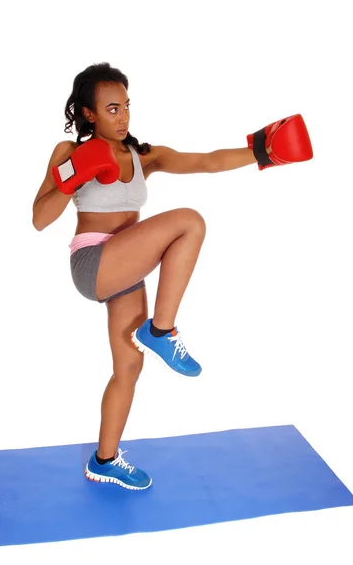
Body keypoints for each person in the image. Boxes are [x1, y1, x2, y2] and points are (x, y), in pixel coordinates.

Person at [32, 62, 313, 491]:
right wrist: (73, 176)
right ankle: (161, 331)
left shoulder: (143, 154)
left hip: (126, 267)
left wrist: (262, 151)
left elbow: (205, 160)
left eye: (126, 106)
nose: (123, 116)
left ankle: (104, 459)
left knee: (128, 366)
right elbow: (38, 219)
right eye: (112, 109)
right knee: (189, 221)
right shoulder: (67, 153)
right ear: (89, 114)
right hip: (93, 262)